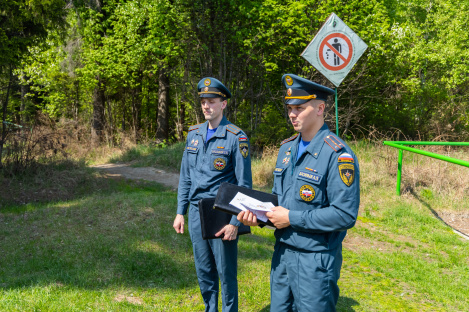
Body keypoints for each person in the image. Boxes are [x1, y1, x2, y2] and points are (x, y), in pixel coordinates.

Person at [238, 74, 360, 312]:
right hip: (282, 254)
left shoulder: (338, 154)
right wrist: (259, 216)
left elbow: (345, 215)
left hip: (315, 260)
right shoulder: (286, 149)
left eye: (300, 108)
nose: (292, 114)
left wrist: (291, 218)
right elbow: (279, 201)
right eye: (290, 108)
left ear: (320, 108)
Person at [173, 77, 252, 312]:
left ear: (223, 104)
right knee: (204, 270)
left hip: (222, 212)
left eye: (212, 101)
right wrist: (180, 212)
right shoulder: (193, 134)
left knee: (225, 272)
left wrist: (235, 222)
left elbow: (244, 184)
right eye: (203, 102)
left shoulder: (237, 138)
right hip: (197, 212)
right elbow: (185, 177)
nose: (206, 106)